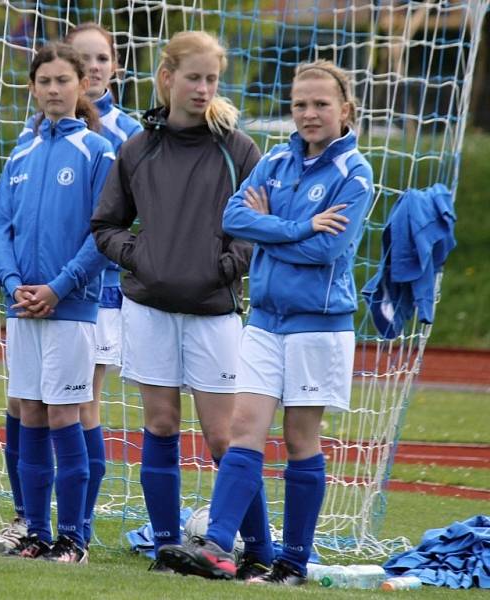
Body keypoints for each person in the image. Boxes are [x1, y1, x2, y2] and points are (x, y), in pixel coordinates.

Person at [156, 59, 374, 585]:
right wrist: (296, 225)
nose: (309, 114)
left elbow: (328, 248)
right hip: (265, 321)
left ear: (344, 110)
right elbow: (234, 218)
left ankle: (292, 563)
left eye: (321, 104)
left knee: (300, 439)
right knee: (241, 428)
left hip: (318, 324)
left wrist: (271, 226)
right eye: (300, 104)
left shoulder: (355, 173)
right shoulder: (275, 159)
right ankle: (219, 547)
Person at [91, 31, 262, 572]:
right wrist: (142, 257)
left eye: (211, 79)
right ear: (167, 77)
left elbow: (255, 230)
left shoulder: (239, 149)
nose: (203, 88)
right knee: (162, 424)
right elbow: (105, 226)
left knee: (223, 437)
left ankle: (257, 552)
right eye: (193, 77)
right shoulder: (137, 148)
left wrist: (223, 267)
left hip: (214, 312)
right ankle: (167, 548)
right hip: (148, 309)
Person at [0, 23, 142, 553]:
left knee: (66, 414)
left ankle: (73, 538)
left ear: (81, 86)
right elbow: (0, 226)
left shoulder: (99, 152)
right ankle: (34, 530)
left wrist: (57, 287)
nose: (54, 90)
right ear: (32, 87)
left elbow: (101, 234)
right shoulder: (20, 153)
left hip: (74, 307)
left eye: (63, 80)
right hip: (22, 307)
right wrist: (13, 283)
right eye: (45, 81)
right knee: (28, 411)